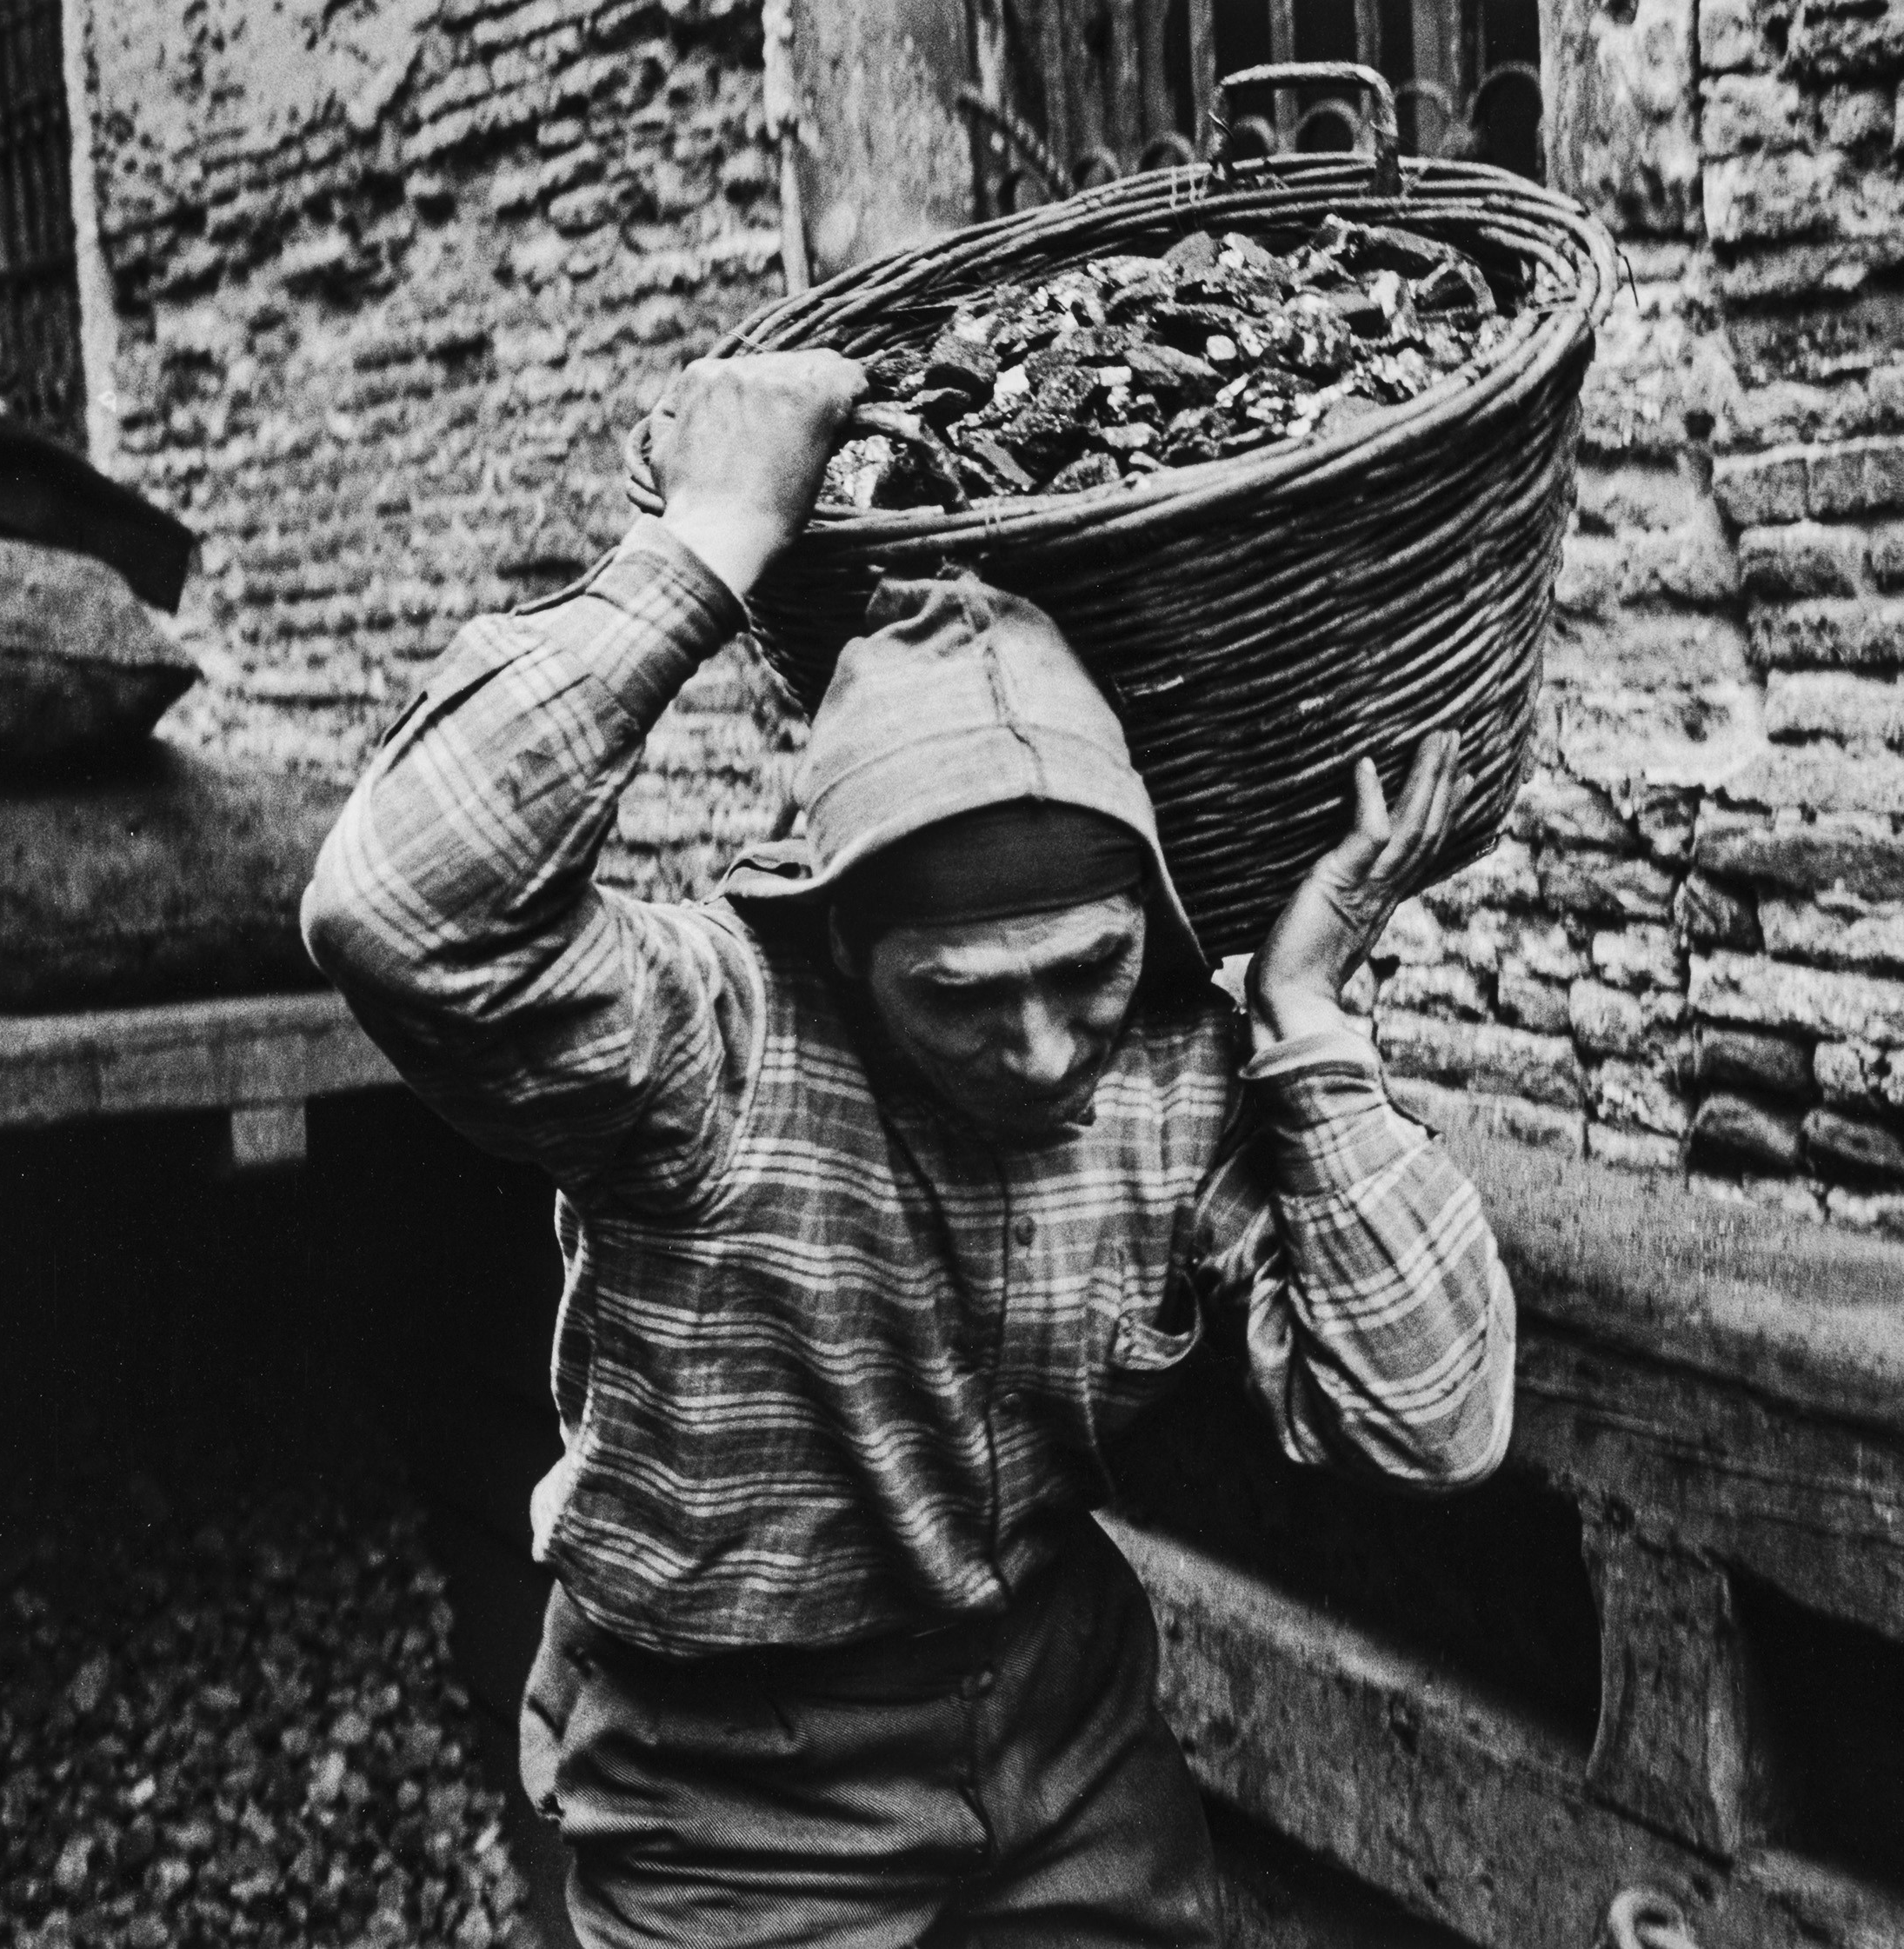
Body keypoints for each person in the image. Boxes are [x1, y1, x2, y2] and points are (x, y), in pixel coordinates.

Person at [302, 349, 1517, 1946]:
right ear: (840, 944)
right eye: (962, 996)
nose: (1039, 1050)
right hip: (734, 1784)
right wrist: (710, 542)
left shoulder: (1172, 1070)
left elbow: (1438, 1420)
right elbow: (394, 906)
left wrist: (1303, 1014)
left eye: (1085, 971)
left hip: (1067, 1731)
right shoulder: (713, 1042)